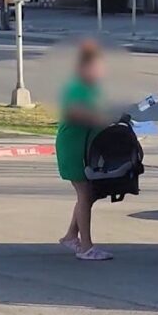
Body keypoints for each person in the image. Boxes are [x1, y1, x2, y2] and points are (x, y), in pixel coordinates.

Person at [56, 40, 113, 261]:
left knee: (88, 193)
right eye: (96, 66)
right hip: (74, 148)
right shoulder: (76, 87)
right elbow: (74, 113)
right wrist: (101, 118)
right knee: (85, 192)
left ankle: (71, 236)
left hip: (87, 149)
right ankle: (86, 247)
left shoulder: (92, 88)